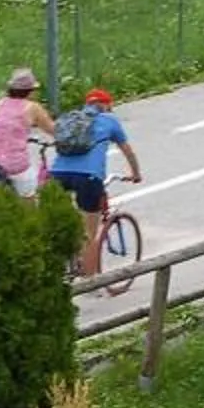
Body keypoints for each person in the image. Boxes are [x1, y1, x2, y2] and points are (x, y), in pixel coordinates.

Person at [50, 87, 143, 274]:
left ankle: (61, 262)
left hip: (57, 174)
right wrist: (135, 174)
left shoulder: (70, 119)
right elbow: (128, 151)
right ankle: (91, 282)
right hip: (89, 177)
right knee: (89, 235)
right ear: (107, 105)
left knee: (59, 224)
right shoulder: (110, 121)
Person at [0, 67, 57, 198]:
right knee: (29, 192)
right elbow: (53, 130)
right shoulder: (32, 107)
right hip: (16, 165)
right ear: (30, 91)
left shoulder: (0, 103)